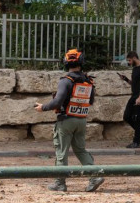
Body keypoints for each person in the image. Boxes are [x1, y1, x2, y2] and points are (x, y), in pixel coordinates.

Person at [35, 49, 104, 193]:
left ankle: (60, 183)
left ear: (66, 62)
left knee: (61, 153)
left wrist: (43, 107)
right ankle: (94, 176)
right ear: (81, 62)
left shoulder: (66, 81)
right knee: (80, 150)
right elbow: (90, 101)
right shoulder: (88, 81)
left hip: (66, 121)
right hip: (81, 120)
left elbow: (57, 102)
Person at [121, 51, 140, 149]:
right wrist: (125, 79)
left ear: (134, 58)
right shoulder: (135, 69)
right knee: (127, 116)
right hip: (134, 96)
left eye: (129, 60)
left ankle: (136, 142)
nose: (129, 62)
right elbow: (134, 83)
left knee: (136, 119)